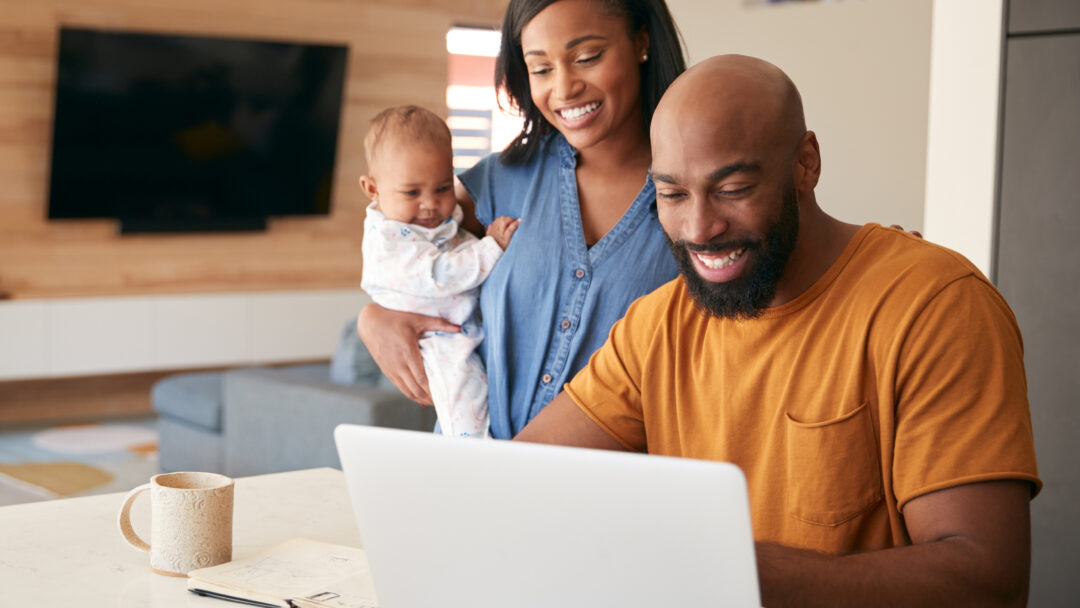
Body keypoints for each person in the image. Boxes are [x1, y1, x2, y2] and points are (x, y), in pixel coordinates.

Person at [516, 55, 1041, 607]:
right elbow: (517, 484)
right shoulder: (657, 325)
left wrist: (733, 568)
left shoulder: (933, 304)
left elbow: (989, 580)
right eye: (671, 195)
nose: (699, 229)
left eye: (733, 188)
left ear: (806, 164)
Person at [357, 0, 688, 439]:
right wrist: (374, 318)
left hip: (609, 493)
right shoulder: (500, 179)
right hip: (474, 477)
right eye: (540, 68)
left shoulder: (694, 196)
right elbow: (401, 243)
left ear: (641, 42)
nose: (565, 88)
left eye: (587, 57)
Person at [358, 105, 519, 438]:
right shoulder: (388, 241)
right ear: (372, 189)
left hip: (456, 328)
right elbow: (440, 275)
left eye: (443, 188)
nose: (430, 203)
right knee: (465, 399)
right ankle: (471, 453)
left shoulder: (425, 222)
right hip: (435, 340)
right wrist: (492, 247)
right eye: (412, 192)